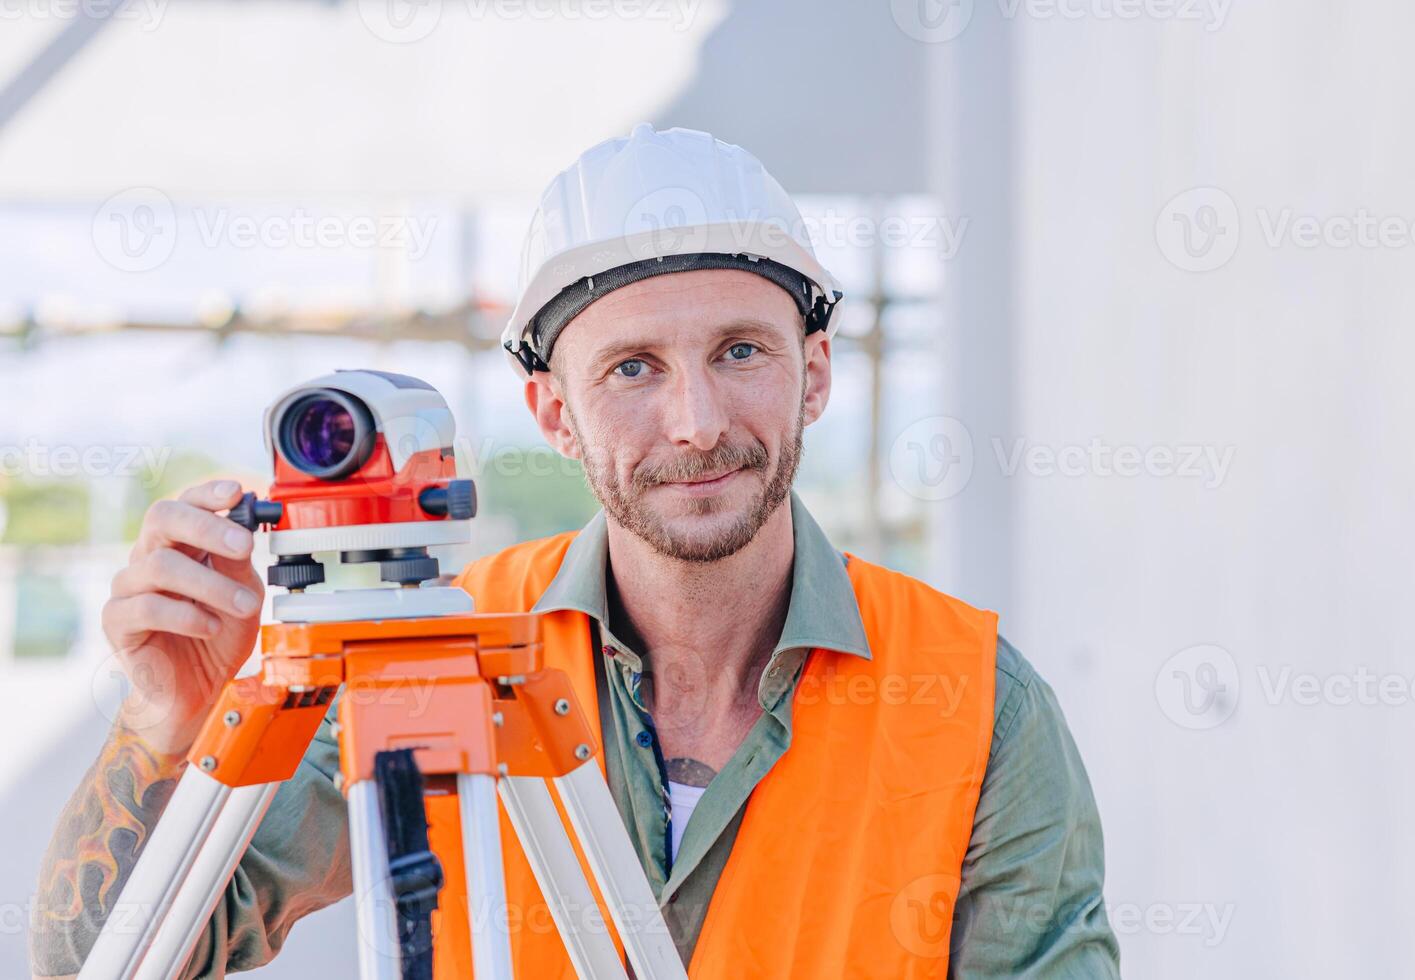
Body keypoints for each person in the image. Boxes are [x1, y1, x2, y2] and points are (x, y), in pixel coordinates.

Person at [31, 125, 1120, 978]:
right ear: (554, 412)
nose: (694, 421)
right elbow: (108, 961)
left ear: (816, 372)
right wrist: (161, 730)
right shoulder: (426, 657)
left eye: (740, 350)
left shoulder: (980, 703)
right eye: (632, 368)